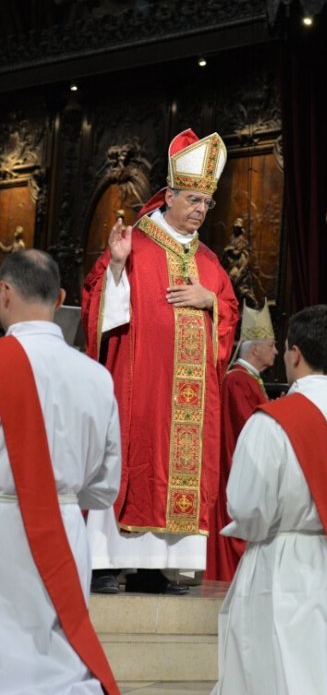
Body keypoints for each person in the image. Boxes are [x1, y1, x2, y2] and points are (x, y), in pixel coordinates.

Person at [82, 128, 239, 595]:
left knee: (179, 465)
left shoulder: (210, 262)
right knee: (134, 456)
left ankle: (160, 565)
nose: (200, 210)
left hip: (188, 400)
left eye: (206, 203)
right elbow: (98, 310)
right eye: (192, 199)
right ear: (169, 195)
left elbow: (229, 318)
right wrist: (113, 265)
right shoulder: (136, 244)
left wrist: (212, 301)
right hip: (140, 386)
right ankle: (107, 562)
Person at [213, 305, 327, 694]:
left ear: (294, 354)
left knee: (275, 675)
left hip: (279, 565)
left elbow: (247, 508)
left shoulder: (270, 423)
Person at [0, 250, 121, 694]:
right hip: (66, 529)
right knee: (61, 653)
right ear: (62, 297)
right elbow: (105, 489)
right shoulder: (96, 376)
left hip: (5, 529)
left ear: (4, 292)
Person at [206, 302, 277, 582]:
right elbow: (248, 427)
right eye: (271, 345)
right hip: (237, 463)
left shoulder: (249, 379)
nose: (276, 351)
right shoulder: (238, 380)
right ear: (255, 348)